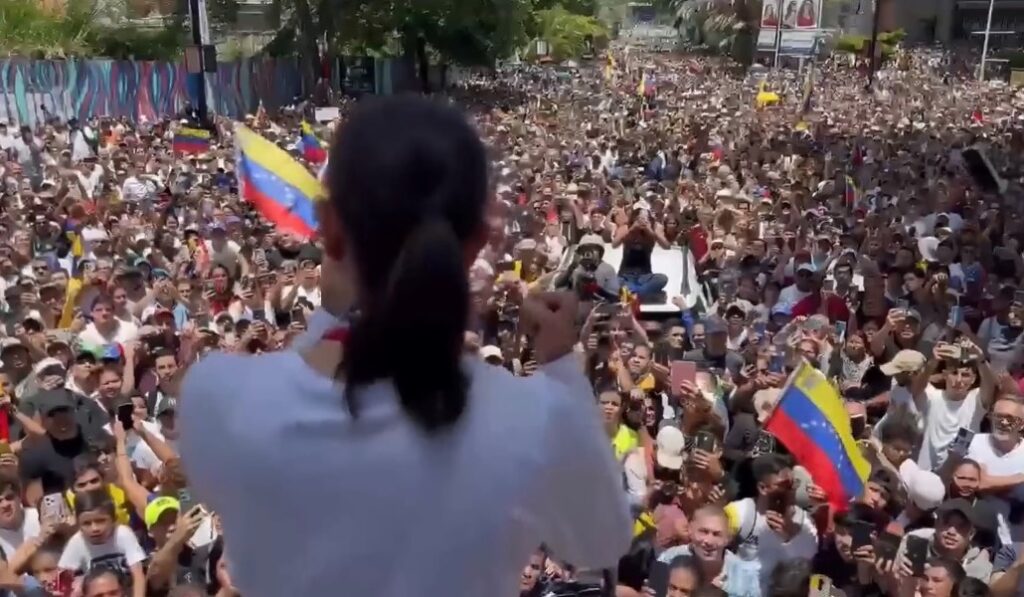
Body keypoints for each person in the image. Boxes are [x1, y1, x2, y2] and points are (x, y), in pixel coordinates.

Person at [179, 96, 632, 597]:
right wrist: (562, 365)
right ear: (478, 241)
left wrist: (327, 318)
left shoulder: (219, 397)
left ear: (329, 228)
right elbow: (602, 540)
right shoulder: (537, 417)